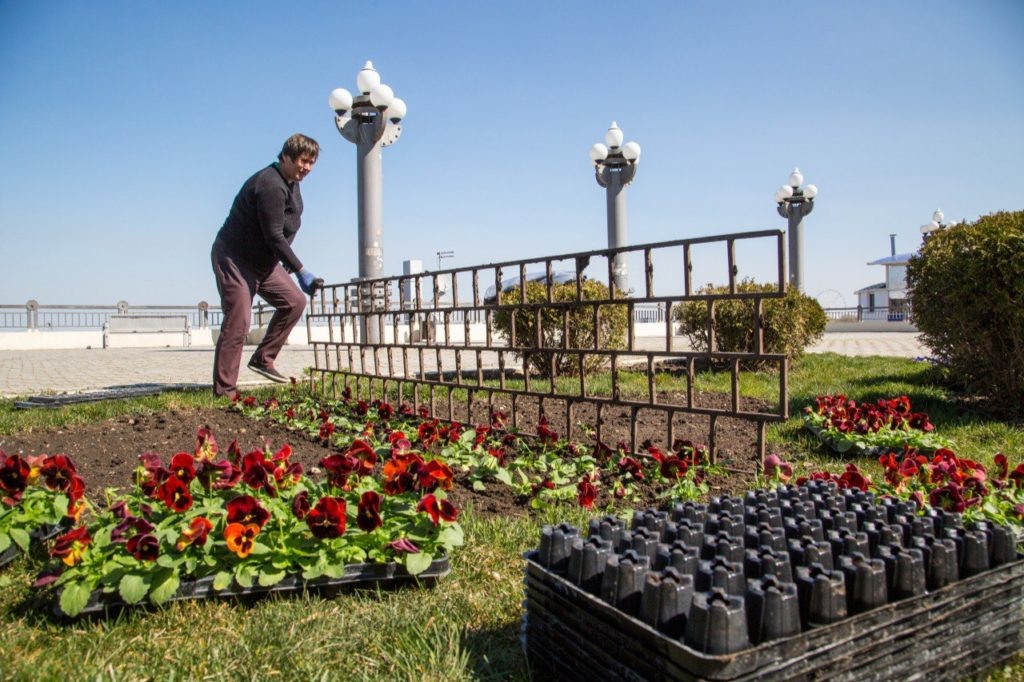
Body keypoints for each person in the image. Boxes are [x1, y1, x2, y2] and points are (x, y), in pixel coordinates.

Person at [210, 133, 324, 398]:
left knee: (295, 301)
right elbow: (273, 234)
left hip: (265, 261)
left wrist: (283, 262)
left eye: (311, 163)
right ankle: (225, 391)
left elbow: (288, 227)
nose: (306, 168)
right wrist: (300, 270)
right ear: (285, 156)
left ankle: (264, 357)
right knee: (239, 319)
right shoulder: (270, 184)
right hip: (235, 258)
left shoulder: (292, 184)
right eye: (302, 161)